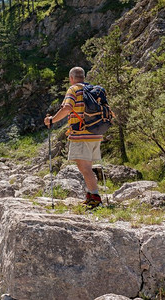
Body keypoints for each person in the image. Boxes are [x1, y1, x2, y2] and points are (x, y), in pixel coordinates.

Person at [44, 67, 102, 209]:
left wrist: (52, 120)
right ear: (83, 76)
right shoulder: (93, 89)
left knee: (85, 168)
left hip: (82, 134)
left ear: (71, 78)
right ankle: (90, 196)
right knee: (87, 167)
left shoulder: (73, 89)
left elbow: (67, 108)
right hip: (96, 133)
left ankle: (95, 198)